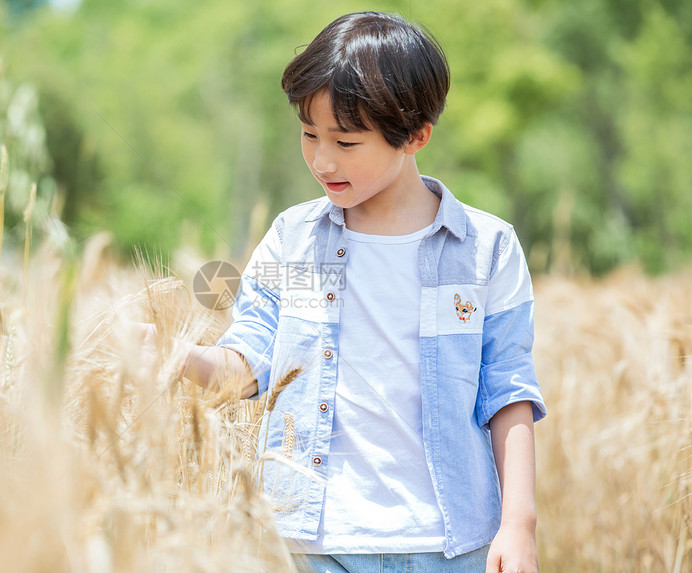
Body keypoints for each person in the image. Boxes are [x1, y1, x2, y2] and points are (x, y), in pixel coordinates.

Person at [175, 11, 546, 573]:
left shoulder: (486, 249)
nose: (322, 160)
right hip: (308, 542)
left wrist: (519, 524)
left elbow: (508, 390)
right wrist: (175, 357)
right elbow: (250, 361)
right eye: (309, 135)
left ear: (416, 135)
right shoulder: (292, 241)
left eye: (346, 141)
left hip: (449, 543)